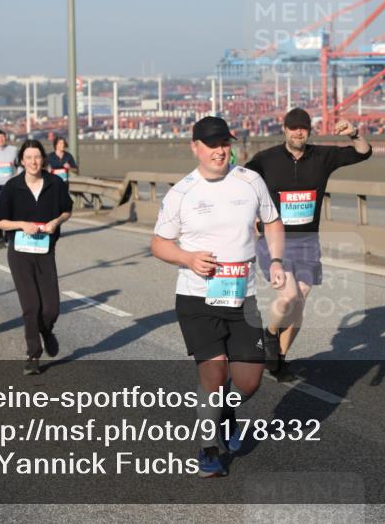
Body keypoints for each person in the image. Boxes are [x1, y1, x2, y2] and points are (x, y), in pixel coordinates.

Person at [151, 116, 286, 478]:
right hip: (197, 298)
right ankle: (208, 447)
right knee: (214, 373)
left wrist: (274, 259)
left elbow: (272, 221)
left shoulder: (250, 181)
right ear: (195, 147)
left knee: (248, 381)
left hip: (243, 296)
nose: (219, 151)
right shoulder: (182, 192)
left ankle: (225, 412)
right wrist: (187, 258)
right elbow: (159, 243)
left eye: (224, 143)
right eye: (211, 144)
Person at [246, 108, 372, 381]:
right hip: (275, 240)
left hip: (308, 242)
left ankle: (278, 359)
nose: (298, 132)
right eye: (293, 127)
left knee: (299, 303)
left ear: (309, 130)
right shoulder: (265, 160)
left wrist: (354, 134)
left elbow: (363, 152)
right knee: (288, 297)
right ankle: (267, 337)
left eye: (302, 127)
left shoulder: (322, 157)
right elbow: (243, 185)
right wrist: (255, 216)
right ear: (284, 129)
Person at [0, 139, 73, 375]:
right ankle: (33, 356)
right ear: (22, 160)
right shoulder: (13, 186)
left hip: (45, 251)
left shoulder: (55, 183)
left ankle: (46, 331)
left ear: (43, 159)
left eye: (37, 157)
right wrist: (21, 225)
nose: (33, 162)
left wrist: (56, 222)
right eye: (28, 157)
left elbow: (67, 209)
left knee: (51, 309)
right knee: (31, 306)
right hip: (19, 253)